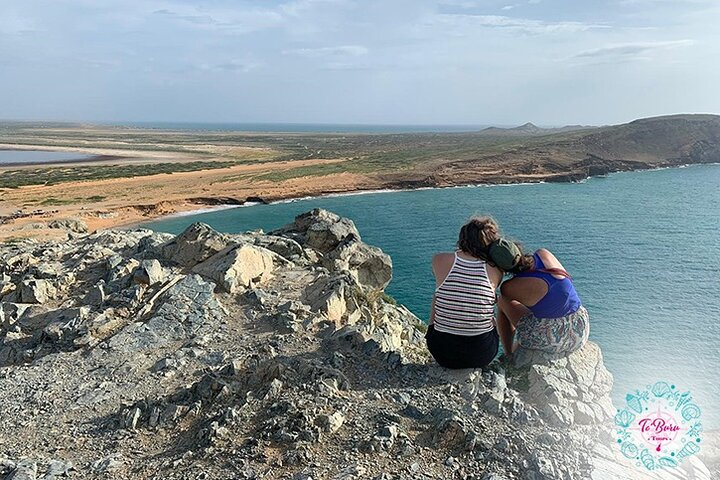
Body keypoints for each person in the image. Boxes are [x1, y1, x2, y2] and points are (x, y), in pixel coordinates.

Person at [425, 216, 504, 369]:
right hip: (482, 355)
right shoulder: (496, 270)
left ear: (462, 237)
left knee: (438, 293)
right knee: (495, 300)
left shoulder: (439, 259)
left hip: (442, 353)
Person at [495, 245, 589, 356]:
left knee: (502, 300)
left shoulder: (508, 287)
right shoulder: (544, 254)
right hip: (580, 328)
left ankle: (508, 353)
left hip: (555, 339)